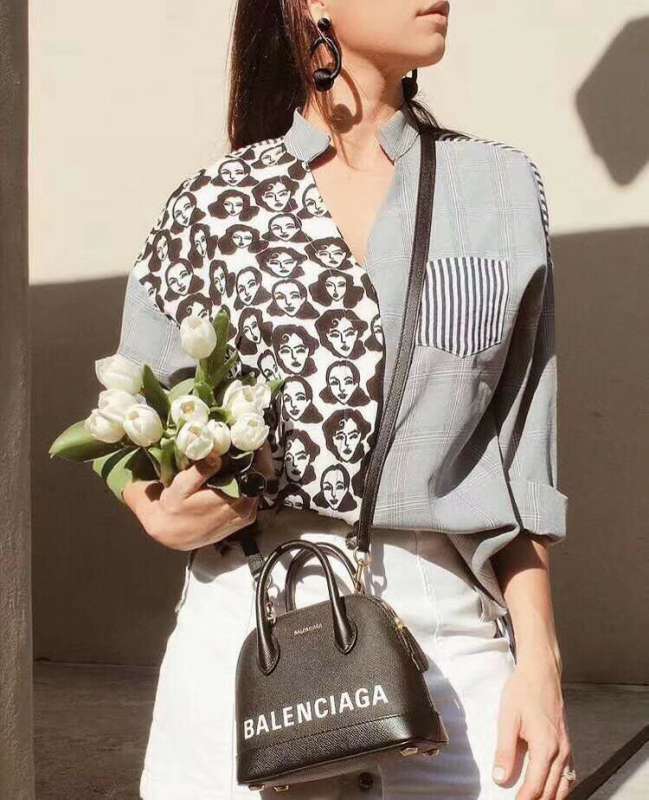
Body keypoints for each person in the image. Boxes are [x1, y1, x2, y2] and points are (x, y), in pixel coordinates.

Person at [110, 1, 574, 797]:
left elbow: (520, 455)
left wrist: (540, 663)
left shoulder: (496, 188)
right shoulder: (215, 202)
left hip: (445, 624)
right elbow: (128, 412)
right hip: (248, 623)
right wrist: (151, 507)